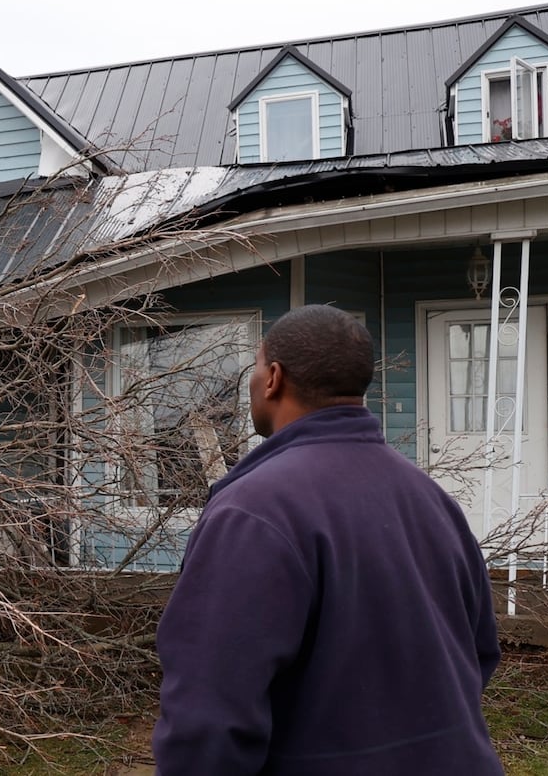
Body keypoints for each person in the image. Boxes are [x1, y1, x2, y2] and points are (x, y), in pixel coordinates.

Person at [152, 304, 503, 775]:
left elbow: (209, 715)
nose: (252, 382)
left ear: (273, 377)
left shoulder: (253, 511)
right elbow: (477, 654)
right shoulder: (432, 500)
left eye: (255, 367)